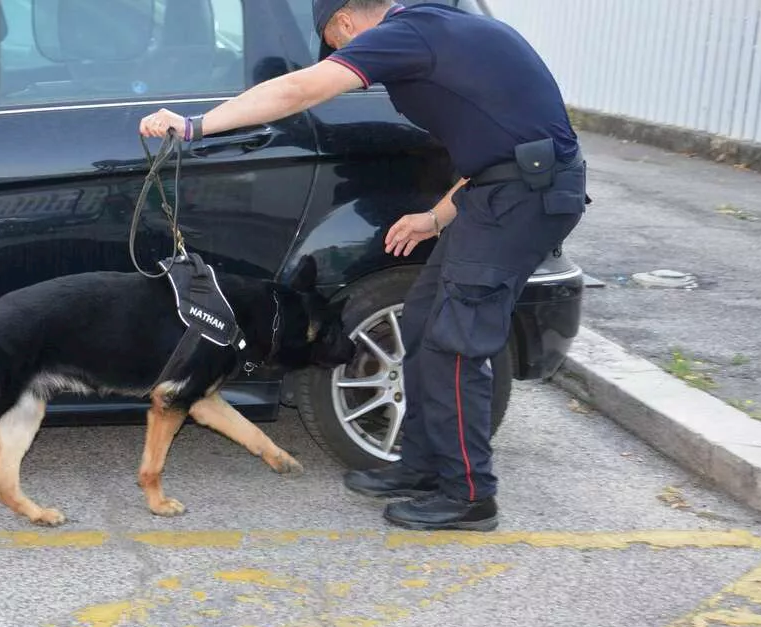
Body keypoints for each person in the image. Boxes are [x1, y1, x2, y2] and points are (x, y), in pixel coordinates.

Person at [138, 0, 587, 532]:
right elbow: (498, 146)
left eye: (336, 42)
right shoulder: (439, 28)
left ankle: (469, 495)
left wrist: (193, 126)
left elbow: (300, 89)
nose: (346, 58)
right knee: (421, 324)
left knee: (456, 342)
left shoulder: (407, 32)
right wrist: (435, 219)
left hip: (522, 200)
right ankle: (421, 466)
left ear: (346, 22)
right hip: (500, 193)